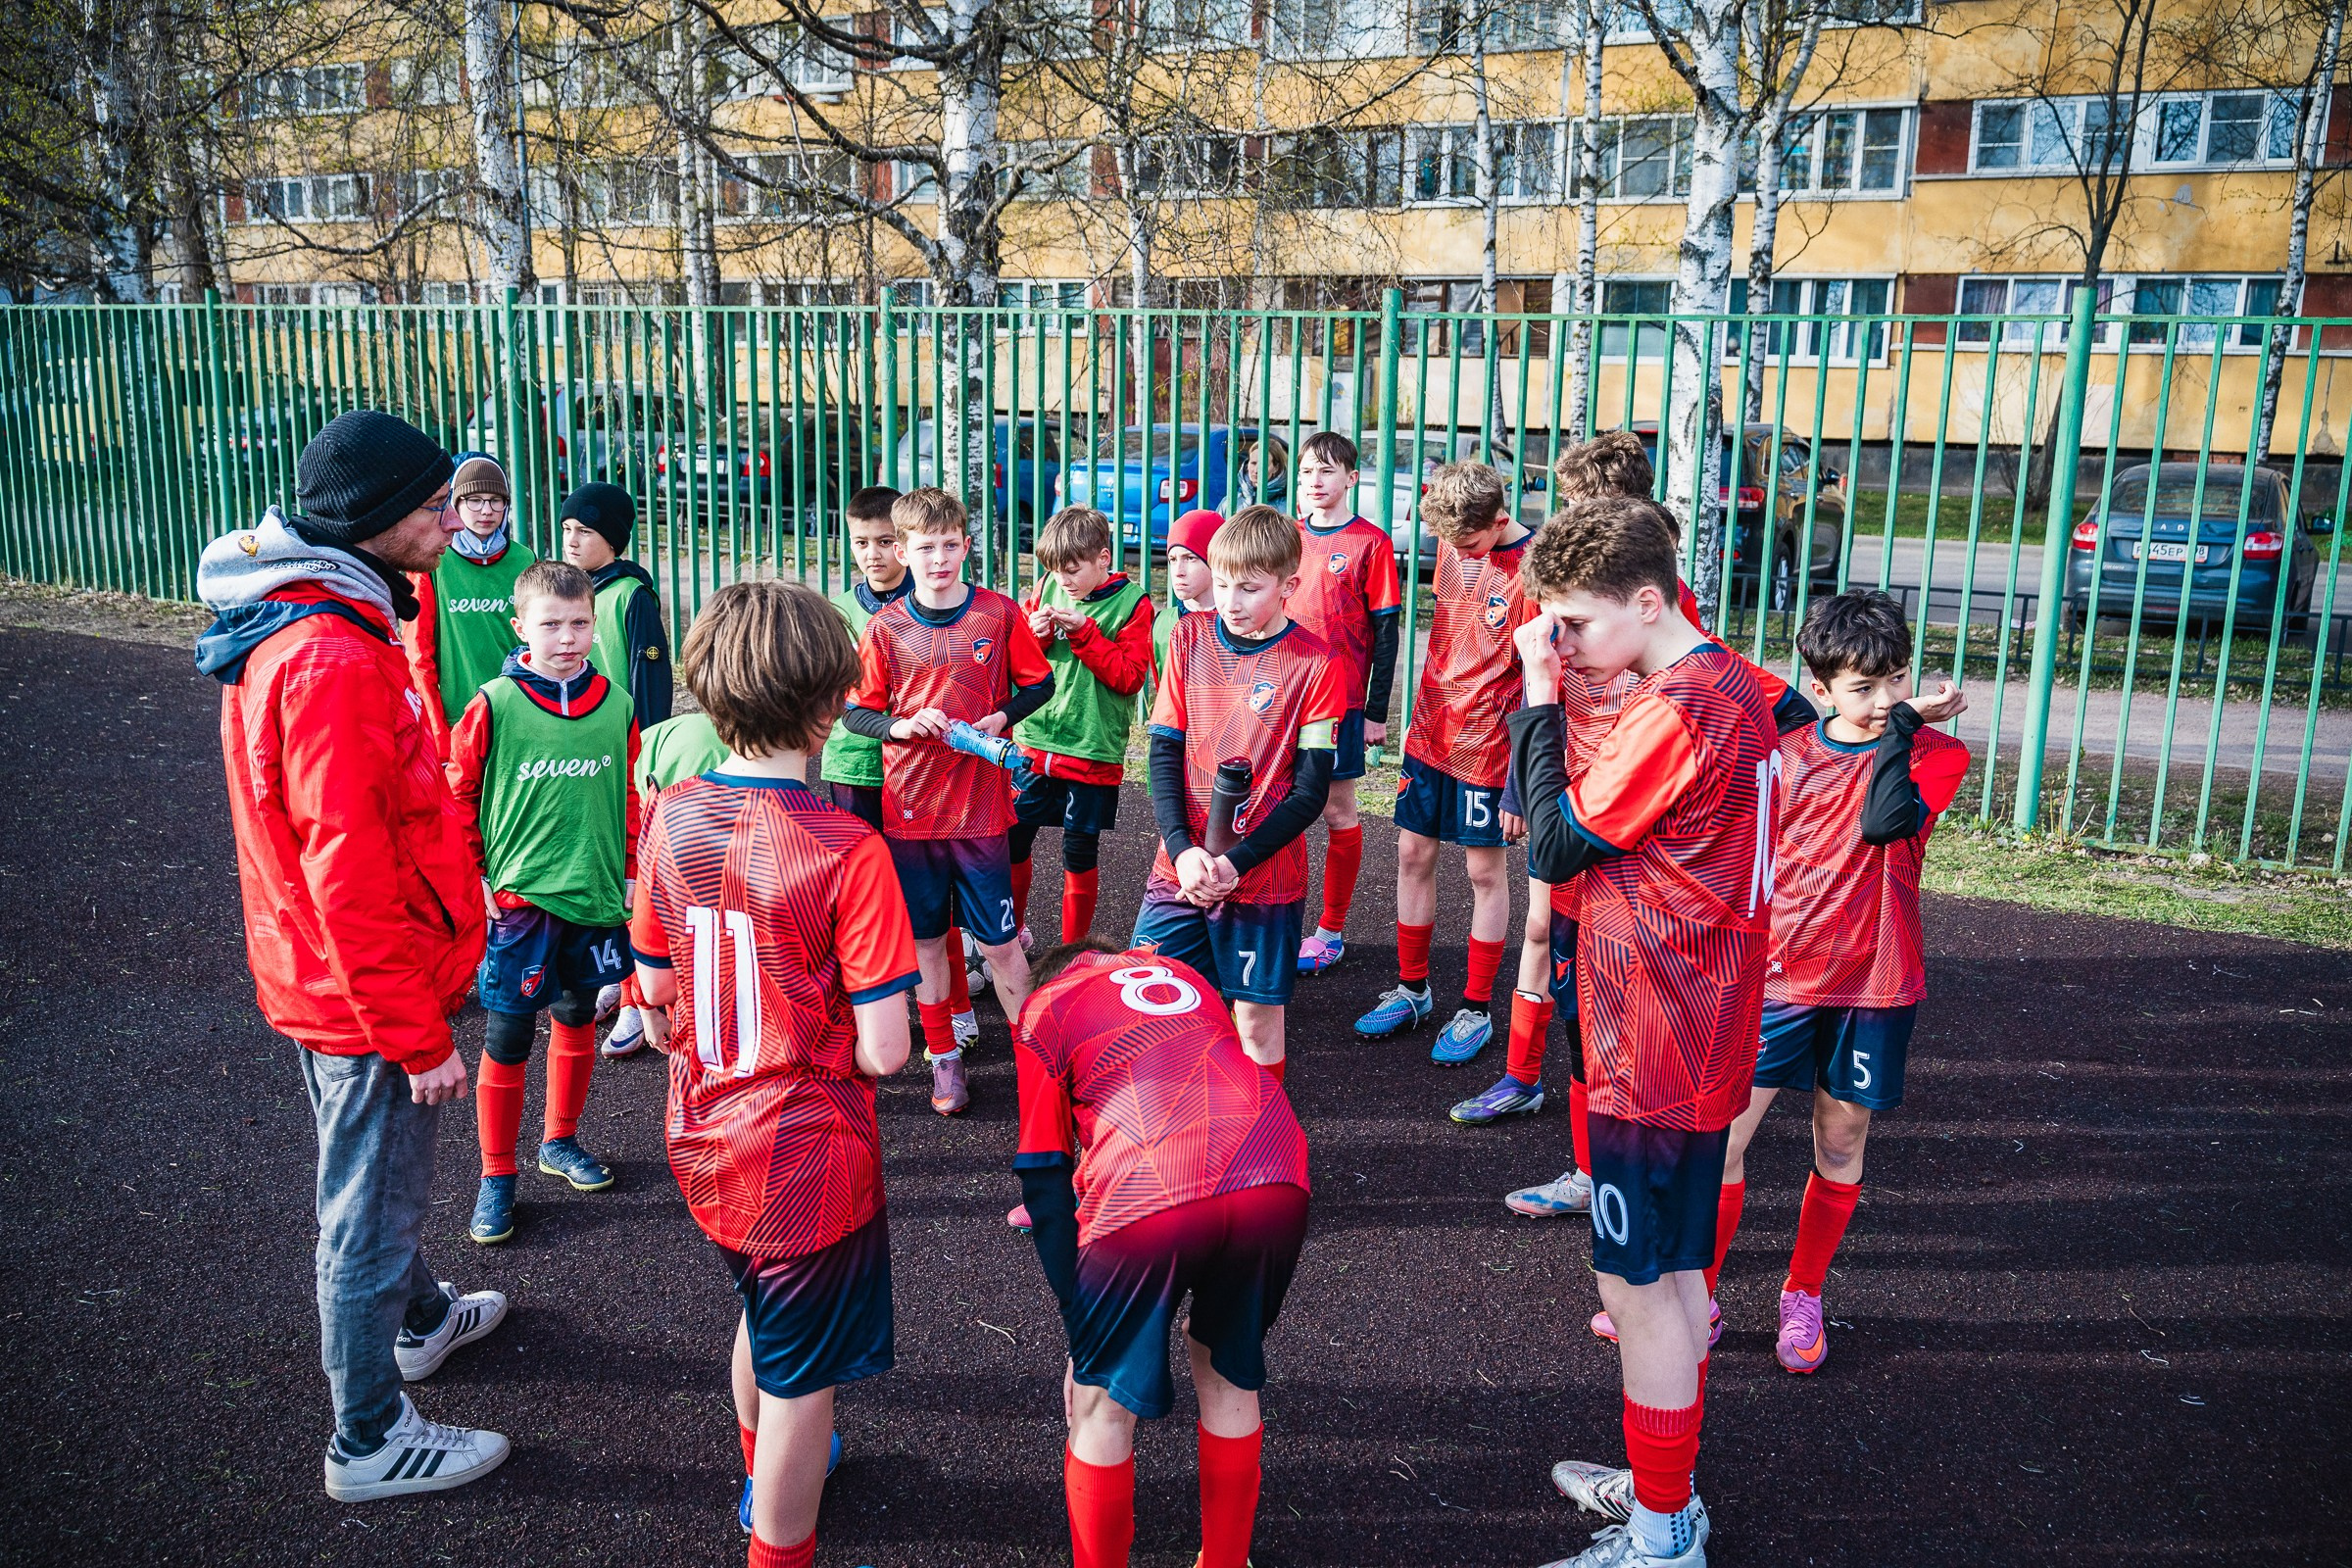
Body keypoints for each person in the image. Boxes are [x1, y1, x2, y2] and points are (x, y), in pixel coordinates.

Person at [196, 408, 510, 1502]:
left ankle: (419, 1322)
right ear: (374, 519)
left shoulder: (315, 615)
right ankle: (367, 1436)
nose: (451, 518)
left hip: (329, 974)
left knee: (373, 1184)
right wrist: (417, 1034)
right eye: (433, 504)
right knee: (370, 1206)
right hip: (365, 992)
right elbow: (352, 873)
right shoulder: (330, 654)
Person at [1510, 494, 1780, 1568]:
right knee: (1674, 1273)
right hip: (1703, 1005)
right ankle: (1667, 1492)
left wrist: (1539, 697)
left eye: (1577, 620)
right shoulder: (1737, 679)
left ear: (1651, 602)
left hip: (1658, 1018)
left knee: (1643, 1288)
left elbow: (1555, 844)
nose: (1562, 639)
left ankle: (1665, 1534)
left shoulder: (1676, 709)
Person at [630, 580, 917, 1568]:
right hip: (805, 1153)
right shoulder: (848, 846)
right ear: (832, 703)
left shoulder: (671, 813)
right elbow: (887, 1049)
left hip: (702, 1129)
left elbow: (653, 983)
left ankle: (765, 1477)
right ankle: (777, 1536)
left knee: (761, 1315)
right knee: (805, 1382)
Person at [1705, 589, 1969, 1373]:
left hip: (1873, 984)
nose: (1885, 699)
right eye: (1864, 687)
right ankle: (1697, 1293)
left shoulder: (1936, 754)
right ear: (1820, 689)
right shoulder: (1784, 755)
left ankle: (1803, 1293)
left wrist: (1905, 727)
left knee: (1841, 1138)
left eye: (1896, 680)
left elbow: (1884, 822)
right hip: (1779, 980)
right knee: (1722, 1142)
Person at [1013, 939, 1310, 1568]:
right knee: (1226, 1372)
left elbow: (1042, 1176)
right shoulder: (1179, 973)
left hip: (1152, 1186)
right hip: (1274, 1163)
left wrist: (1079, 1331)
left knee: (1102, 1403)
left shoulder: (1044, 1008)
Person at [839, 486, 1055, 1114]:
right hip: (911, 811)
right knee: (929, 943)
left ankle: (1037, 1063)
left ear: (966, 546)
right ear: (903, 553)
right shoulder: (884, 628)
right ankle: (944, 1059)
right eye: (925, 547)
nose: (938, 558)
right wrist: (901, 726)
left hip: (981, 810)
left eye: (949, 545)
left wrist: (1002, 717)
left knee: (1002, 945)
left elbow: (1039, 684)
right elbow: (856, 712)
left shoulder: (998, 614)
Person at [447, 560, 640, 1246]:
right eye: (551, 624)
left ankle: (559, 1140)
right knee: (507, 1034)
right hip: (519, 899)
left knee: (578, 1014)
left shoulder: (617, 704)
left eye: (580, 623)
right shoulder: (493, 702)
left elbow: (629, 795)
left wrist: (630, 868)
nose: (567, 637)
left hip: (595, 895)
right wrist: (471, 872)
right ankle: (496, 1174)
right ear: (519, 626)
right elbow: (456, 794)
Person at [1135, 505, 1345, 1083]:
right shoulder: (1188, 636)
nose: (1230, 601)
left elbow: (1309, 793)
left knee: (1255, 1024)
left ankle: (1261, 1135)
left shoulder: (1317, 663)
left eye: (1249, 588)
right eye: (1223, 583)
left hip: (1263, 877)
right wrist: (1183, 849)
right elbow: (1163, 753)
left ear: (1288, 587)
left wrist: (1234, 862)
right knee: (1154, 1002)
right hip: (1180, 867)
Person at [1352, 462, 1534, 1067]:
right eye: (1449, 542)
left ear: (1500, 521)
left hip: (1489, 744)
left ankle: (1476, 1007)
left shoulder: (1533, 571)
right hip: (1432, 729)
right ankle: (1412, 990)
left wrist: (1520, 783)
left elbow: (1544, 682)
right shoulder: (1455, 545)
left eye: (1470, 542)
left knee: (1484, 872)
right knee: (1411, 854)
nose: (1458, 551)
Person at [820, 485, 981, 1052]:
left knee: (936, 905)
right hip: (855, 769)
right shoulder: (839, 611)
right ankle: (862, 1013)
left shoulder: (939, 600)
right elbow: (839, 696)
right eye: (860, 543)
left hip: (923, 778)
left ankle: (956, 1008)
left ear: (904, 544)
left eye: (884, 541)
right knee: (859, 899)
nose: (873, 554)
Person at [1286, 431, 1402, 975]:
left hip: (1342, 702)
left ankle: (1330, 930)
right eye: (1307, 470)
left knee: (1336, 810)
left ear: (1351, 478)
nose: (1315, 481)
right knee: (1271, 807)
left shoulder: (1371, 544)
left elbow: (1387, 632)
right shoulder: (1287, 537)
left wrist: (1376, 713)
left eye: (1327, 471)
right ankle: (1271, 917)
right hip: (1282, 695)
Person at [1014, 506, 1155, 947]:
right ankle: (1012, 936)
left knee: (1079, 852)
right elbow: (1021, 661)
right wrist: (1035, 635)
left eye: (1073, 570)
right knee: (1013, 842)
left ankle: (1072, 952)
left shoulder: (1134, 603)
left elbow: (1129, 677)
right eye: (1056, 570)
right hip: (1034, 743)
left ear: (1103, 559)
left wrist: (1085, 634)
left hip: (1091, 750)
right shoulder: (1047, 585)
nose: (1064, 580)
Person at [602, 706, 734, 1059]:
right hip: (645, 781)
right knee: (629, 888)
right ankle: (627, 996)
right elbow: (644, 899)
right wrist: (646, 1007)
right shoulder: (667, 812)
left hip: (694, 776)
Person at [404, 452, 532, 759]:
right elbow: (418, 654)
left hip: (517, 712)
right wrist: (438, 736)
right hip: (456, 720)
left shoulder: (524, 559)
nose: (486, 510)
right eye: (474, 500)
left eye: (496, 500)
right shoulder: (433, 561)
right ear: (454, 504)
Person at [563, 479, 672, 729]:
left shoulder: (632, 596)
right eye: (567, 529)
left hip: (618, 734)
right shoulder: (561, 591)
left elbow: (650, 683)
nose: (571, 541)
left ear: (612, 539)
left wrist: (646, 740)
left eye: (584, 531)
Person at [1155, 507, 1224, 673]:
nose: (1178, 571)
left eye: (1190, 558)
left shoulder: (1238, 622)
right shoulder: (1162, 624)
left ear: (1215, 561)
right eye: (1173, 559)